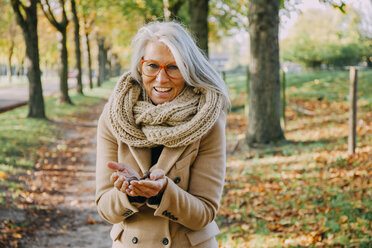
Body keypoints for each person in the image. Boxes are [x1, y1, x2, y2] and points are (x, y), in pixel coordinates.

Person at [95, 21, 230, 248]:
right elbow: (104, 208)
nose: (161, 78)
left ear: (188, 68)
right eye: (152, 66)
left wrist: (163, 193)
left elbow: (205, 212)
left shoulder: (208, 120)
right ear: (140, 66)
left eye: (173, 67)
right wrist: (131, 193)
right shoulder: (115, 117)